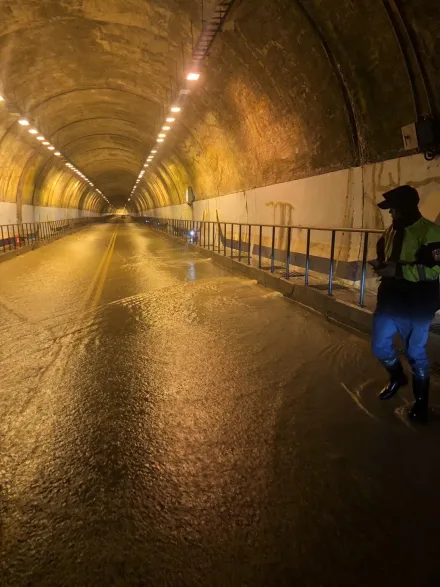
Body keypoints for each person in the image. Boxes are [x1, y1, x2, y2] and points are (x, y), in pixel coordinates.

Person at [371, 184, 440, 423]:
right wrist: (380, 266)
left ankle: (420, 403)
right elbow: (386, 257)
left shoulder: (431, 233)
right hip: (390, 299)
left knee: (415, 352)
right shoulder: (391, 231)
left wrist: (398, 271)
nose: (390, 214)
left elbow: (434, 271)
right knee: (379, 346)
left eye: (393, 210)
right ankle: (397, 377)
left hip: (418, 303)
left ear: (406, 209)